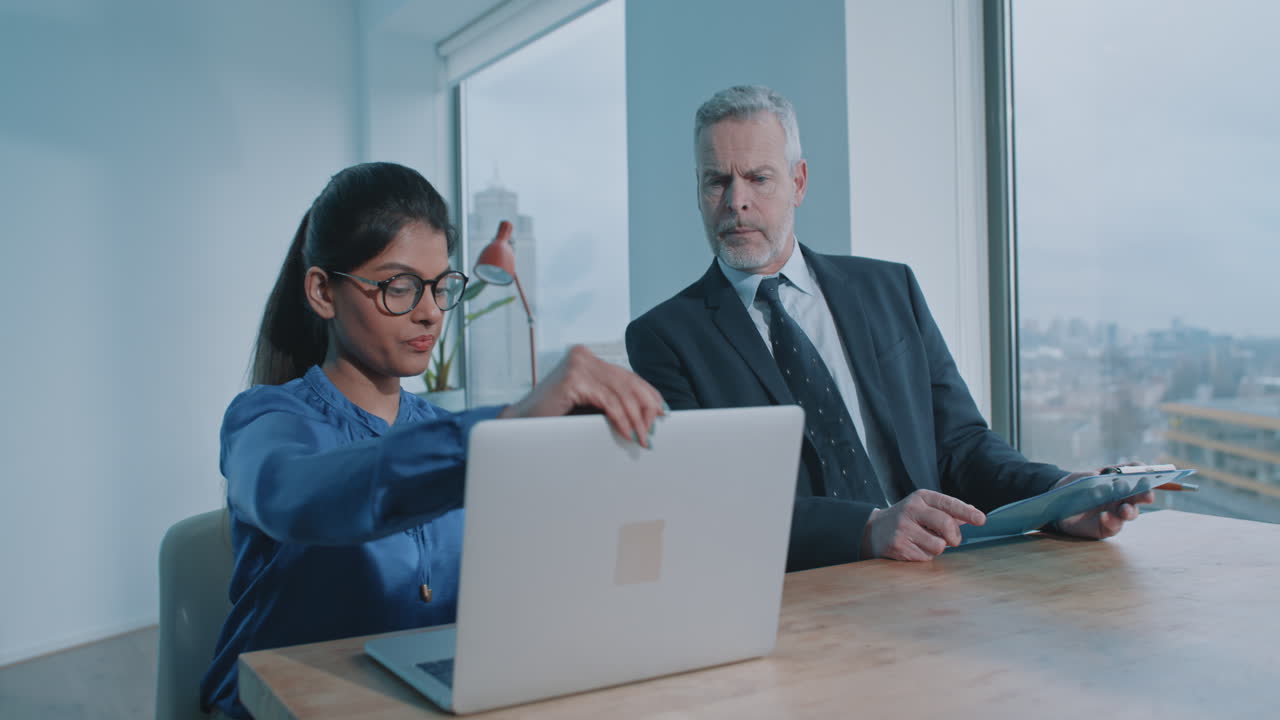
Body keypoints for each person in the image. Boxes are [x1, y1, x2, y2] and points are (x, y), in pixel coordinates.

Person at [201, 162, 664, 718]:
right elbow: (294, 496)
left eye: (440, 286)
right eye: (399, 286)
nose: (428, 313)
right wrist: (508, 428)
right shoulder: (266, 418)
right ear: (323, 291)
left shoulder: (438, 429)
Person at [625, 85, 1151, 572]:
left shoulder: (889, 288)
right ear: (698, 191)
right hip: (805, 601)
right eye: (717, 180)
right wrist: (868, 529)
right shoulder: (664, 339)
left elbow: (962, 447)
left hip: (940, 586)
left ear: (799, 183)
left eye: (759, 178)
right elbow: (714, 502)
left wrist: (1061, 499)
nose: (736, 201)